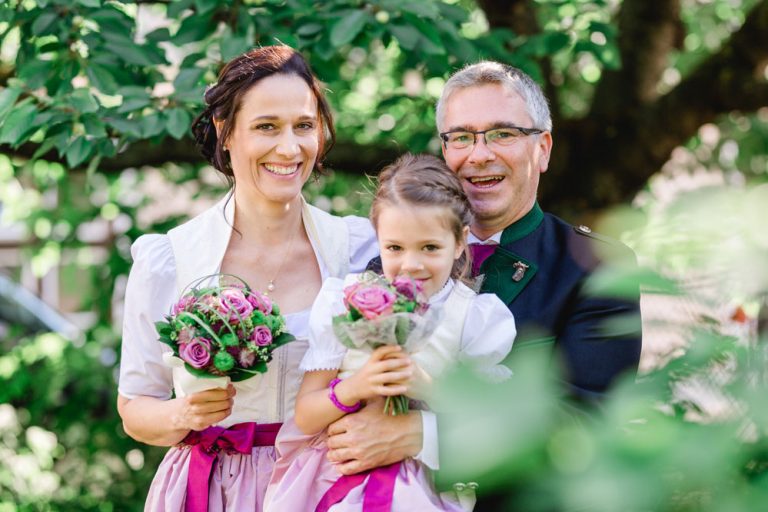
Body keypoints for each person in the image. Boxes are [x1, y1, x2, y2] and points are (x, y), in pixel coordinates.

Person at [116, 46, 418, 511]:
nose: (289, 147)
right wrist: (183, 413)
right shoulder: (169, 259)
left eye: (303, 126)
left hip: (328, 484)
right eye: (266, 127)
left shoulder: (362, 250)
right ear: (226, 132)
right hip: (212, 489)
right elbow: (136, 408)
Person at [434, 61, 643, 506]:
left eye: (502, 134)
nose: (479, 154)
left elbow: (585, 425)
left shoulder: (597, 268)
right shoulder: (390, 259)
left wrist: (418, 436)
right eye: (461, 137)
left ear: (543, 149)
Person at [263, 153, 516, 512]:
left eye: (430, 247)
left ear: (460, 242)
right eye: (394, 248)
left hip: (422, 488)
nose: (411, 265)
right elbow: (305, 415)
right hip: (337, 477)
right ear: (378, 241)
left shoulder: (474, 317)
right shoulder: (346, 300)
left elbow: (485, 420)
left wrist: (427, 386)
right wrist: (354, 387)